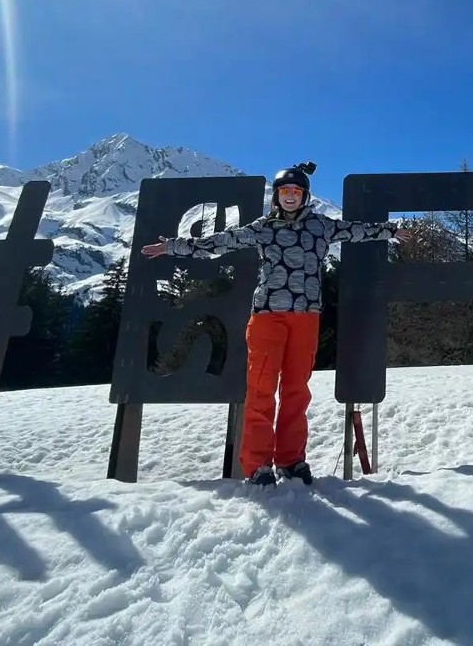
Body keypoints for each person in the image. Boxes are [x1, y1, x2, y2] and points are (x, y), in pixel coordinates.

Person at [141, 161, 410, 487]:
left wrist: (390, 231)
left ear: (305, 196)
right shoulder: (263, 228)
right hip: (268, 317)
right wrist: (172, 246)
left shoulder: (322, 226)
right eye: (285, 191)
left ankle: (291, 460)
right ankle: (257, 464)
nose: (291, 196)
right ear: (277, 197)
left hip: (306, 318)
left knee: (297, 392)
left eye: (297, 191)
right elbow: (218, 243)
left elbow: (356, 230)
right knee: (261, 390)